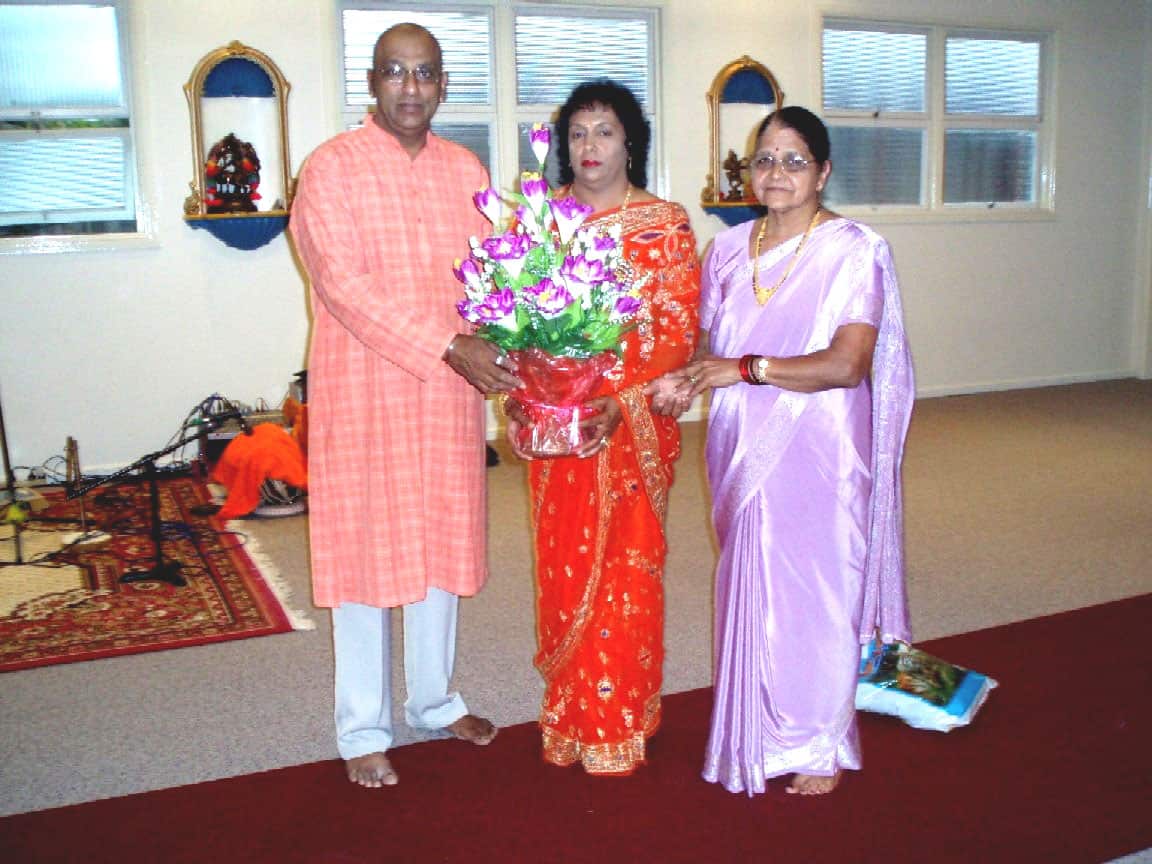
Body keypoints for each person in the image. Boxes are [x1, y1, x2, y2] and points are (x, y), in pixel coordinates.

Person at [654, 106, 915, 796]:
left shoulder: (855, 250)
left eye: (794, 160)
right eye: (765, 160)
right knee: (754, 582)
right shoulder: (730, 249)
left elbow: (848, 364)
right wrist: (684, 380)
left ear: (823, 171)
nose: (776, 173)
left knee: (819, 587)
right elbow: (711, 343)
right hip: (740, 439)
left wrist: (745, 370)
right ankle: (760, 725)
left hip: (820, 442)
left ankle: (818, 740)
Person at [289, 23, 521, 789]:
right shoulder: (330, 170)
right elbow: (344, 288)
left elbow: (493, 276)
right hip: (365, 390)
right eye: (396, 72)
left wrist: (519, 342)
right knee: (363, 559)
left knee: (438, 548)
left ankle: (433, 700)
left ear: (444, 84)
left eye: (425, 74)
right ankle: (362, 728)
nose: (411, 88)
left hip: (446, 400)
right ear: (373, 81)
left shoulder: (466, 170)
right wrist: (451, 345)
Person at [504, 80, 701, 775]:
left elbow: (676, 329)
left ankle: (619, 718)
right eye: (579, 133)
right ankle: (571, 715)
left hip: (628, 425)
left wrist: (614, 395)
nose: (590, 147)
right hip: (563, 430)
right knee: (562, 566)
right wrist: (538, 381)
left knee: (624, 569)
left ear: (630, 142)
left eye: (606, 132)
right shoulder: (539, 223)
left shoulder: (664, 223)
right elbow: (515, 317)